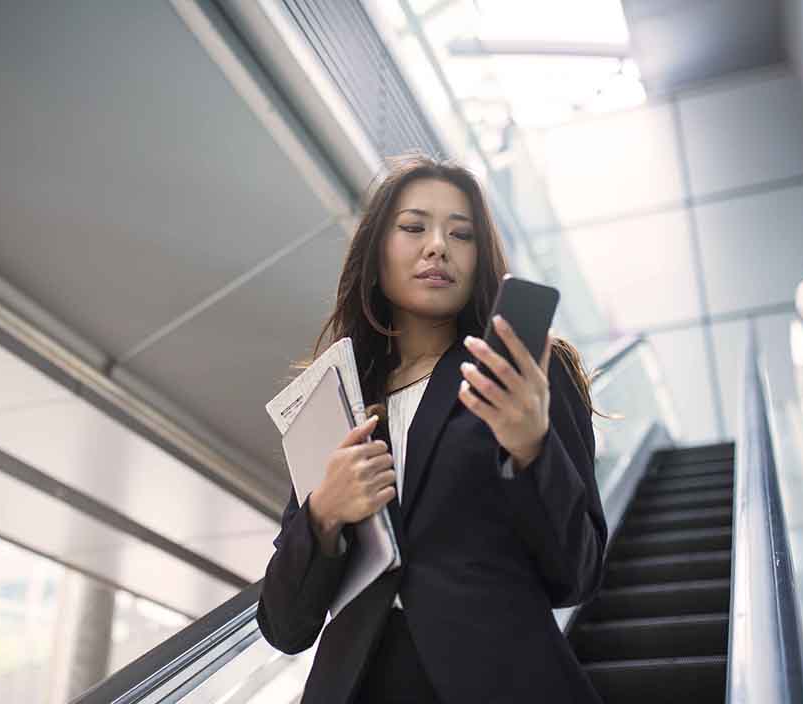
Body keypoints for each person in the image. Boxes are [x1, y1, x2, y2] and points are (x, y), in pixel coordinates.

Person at [256, 153, 607, 704]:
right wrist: (323, 514)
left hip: (498, 679)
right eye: (414, 227)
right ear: (376, 254)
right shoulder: (339, 400)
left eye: (460, 234)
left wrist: (531, 451)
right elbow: (284, 625)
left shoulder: (525, 372)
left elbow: (578, 575)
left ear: (479, 256)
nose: (437, 246)